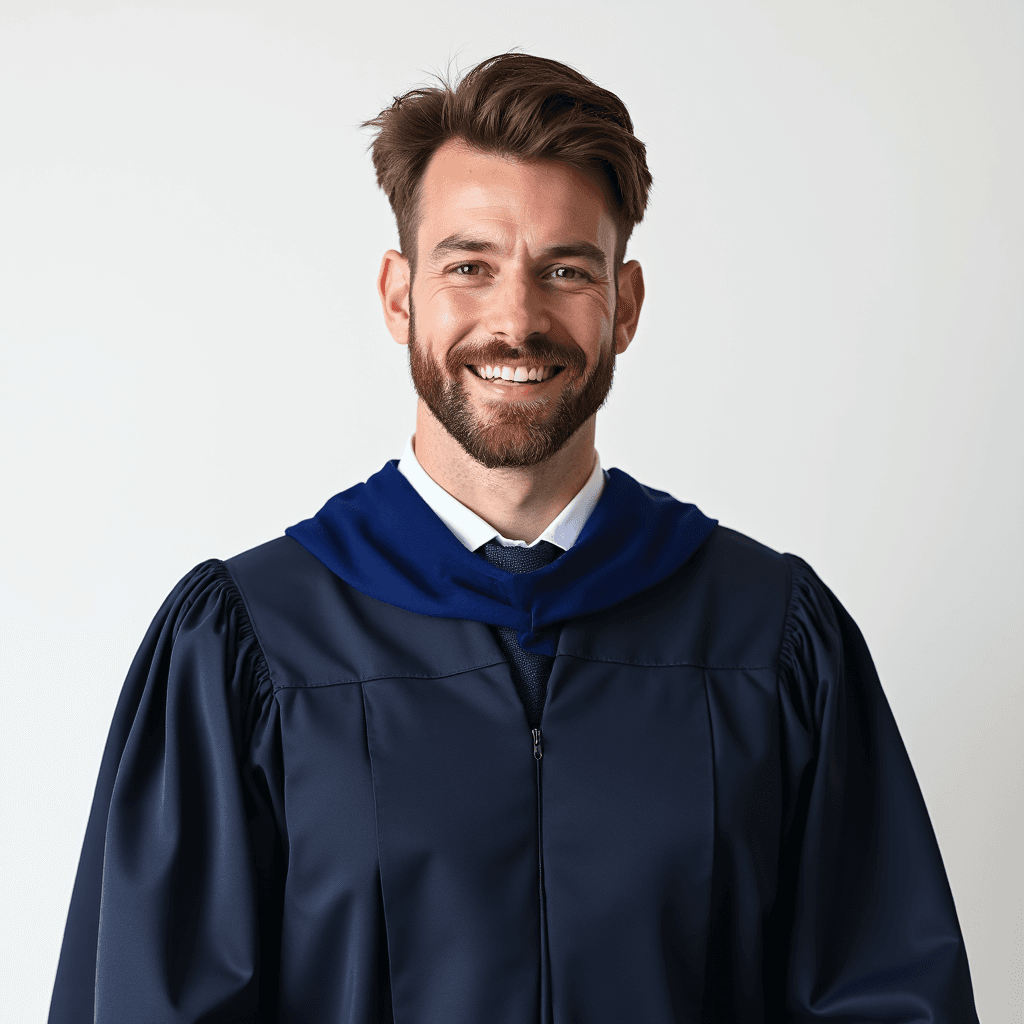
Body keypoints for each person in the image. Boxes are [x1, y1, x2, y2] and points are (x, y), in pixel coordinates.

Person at [49, 53, 978, 1024]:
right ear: (399, 295)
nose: (516, 320)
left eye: (565, 270)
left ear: (624, 305)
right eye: (469, 266)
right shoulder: (249, 647)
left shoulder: (770, 641)